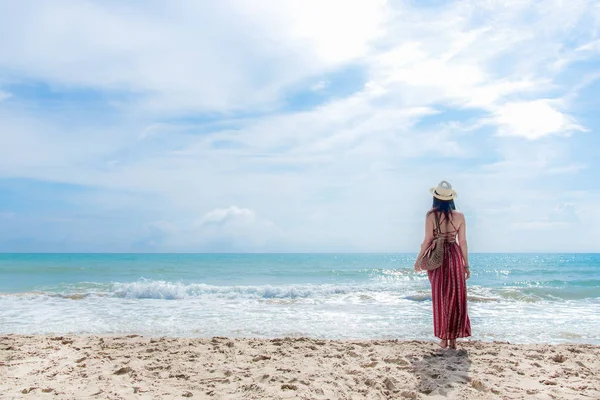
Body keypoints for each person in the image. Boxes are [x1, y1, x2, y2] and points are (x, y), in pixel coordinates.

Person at [414, 180, 471, 349]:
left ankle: (444, 339)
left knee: (440, 297)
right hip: (454, 256)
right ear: (451, 198)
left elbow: (427, 240)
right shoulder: (459, 216)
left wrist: (418, 260)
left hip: (437, 258)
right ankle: (453, 339)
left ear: (436, 198)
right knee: (456, 297)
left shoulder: (431, 216)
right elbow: (463, 242)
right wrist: (466, 265)